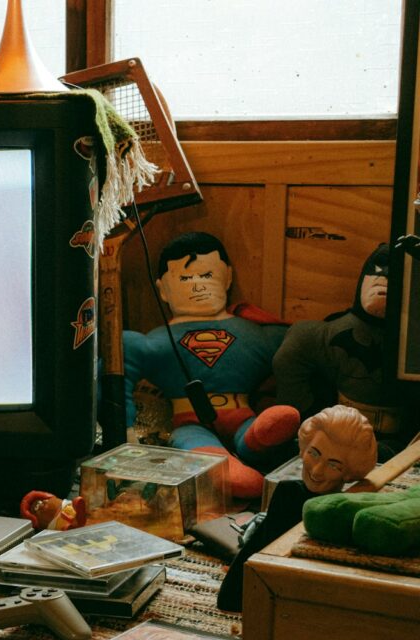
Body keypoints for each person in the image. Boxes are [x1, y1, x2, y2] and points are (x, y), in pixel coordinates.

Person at [122, 232, 296, 498]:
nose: (197, 285)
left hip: (244, 415)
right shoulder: (156, 342)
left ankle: (259, 437)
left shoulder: (258, 334)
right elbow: (121, 363)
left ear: (227, 277)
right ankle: (222, 466)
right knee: (197, 447)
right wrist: (126, 430)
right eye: (185, 277)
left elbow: (299, 346)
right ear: (163, 289)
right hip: (189, 422)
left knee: (263, 430)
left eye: (205, 276)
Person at [216, 404, 377, 611]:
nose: (317, 471)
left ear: (349, 472)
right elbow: (235, 591)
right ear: (303, 448)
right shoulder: (289, 495)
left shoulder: (308, 500)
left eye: (333, 464)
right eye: (314, 453)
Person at [273, 243, 418, 462]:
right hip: (335, 430)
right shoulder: (331, 334)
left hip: (397, 439)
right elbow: (289, 359)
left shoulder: (411, 337)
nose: (385, 281)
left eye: (393, 277)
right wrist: (307, 414)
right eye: (378, 274)